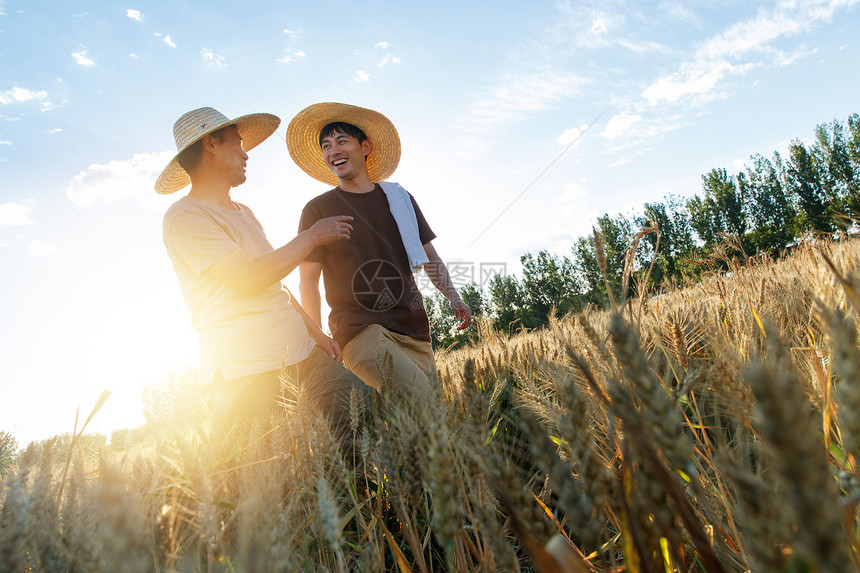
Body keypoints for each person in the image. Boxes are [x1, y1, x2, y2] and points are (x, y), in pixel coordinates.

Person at [156, 106, 374, 438]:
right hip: (246, 370)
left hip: (301, 353)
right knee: (268, 477)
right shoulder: (184, 217)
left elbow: (275, 281)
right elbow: (250, 276)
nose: (246, 155)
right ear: (211, 145)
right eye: (237, 143)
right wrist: (312, 236)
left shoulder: (244, 212)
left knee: (367, 419)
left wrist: (316, 334)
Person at [286, 102, 471, 398]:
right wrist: (318, 337)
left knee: (430, 422)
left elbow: (430, 257)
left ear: (365, 146)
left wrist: (453, 296)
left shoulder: (400, 199)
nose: (333, 151)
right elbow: (308, 280)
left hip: (414, 328)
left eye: (341, 141)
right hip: (360, 331)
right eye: (326, 145)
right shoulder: (317, 210)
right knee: (420, 399)